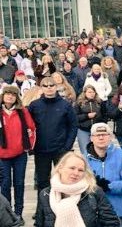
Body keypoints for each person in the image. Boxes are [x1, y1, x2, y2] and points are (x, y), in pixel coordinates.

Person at [27, 77, 77, 217]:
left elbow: (73, 126)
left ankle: (63, 210)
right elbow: (28, 126)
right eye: (46, 85)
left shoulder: (65, 105)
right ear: (41, 88)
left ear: (56, 87)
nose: (49, 88)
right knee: (42, 182)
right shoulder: (34, 105)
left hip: (60, 150)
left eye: (51, 85)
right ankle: (41, 211)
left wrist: (67, 146)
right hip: (41, 150)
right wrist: (31, 146)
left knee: (63, 180)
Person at [35, 151, 120, 226]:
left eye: (80, 170)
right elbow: (39, 223)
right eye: (72, 168)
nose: (76, 173)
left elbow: (111, 222)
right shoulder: (45, 194)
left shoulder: (94, 191)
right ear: (60, 168)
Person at [86, 123, 122, 227]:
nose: (101, 137)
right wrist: (93, 187)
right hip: (93, 214)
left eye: (105, 134)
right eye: (97, 135)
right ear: (91, 138)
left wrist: (108, 186)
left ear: (111, 137)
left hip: (120, 213)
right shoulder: (83, 160)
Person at [0, 86, 36, 224]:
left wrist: (28, 146)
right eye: (7, 94)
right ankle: (7, 214)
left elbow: (31, 129)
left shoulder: (22, 111)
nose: (10, 97)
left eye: (13, 95)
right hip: (2, 155)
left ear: (17, 97)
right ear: (3, 96)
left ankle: (18, 213)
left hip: (20, 154)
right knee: (5, 185)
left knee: (19, 184)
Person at [74, 84, 106, 153]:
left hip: (97, 130)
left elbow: (105, 114)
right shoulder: (79, 103)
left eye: (93, 92)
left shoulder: (100, 102)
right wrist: (87, 116)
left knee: (98, 150)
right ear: (85, 93)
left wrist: (102, 123)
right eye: (89, 92)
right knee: (85, 150)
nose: (91, 94)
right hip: (83, 130)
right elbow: (75, 117)